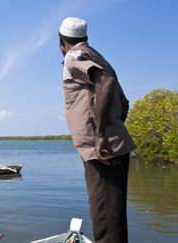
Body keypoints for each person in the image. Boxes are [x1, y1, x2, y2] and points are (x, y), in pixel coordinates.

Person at [58, 17, 135, 243]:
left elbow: (106, 81)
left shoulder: (74, 56)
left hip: (100, 150)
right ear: (85, 38)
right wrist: (112, 130)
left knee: (105, 223)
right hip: (112, 147)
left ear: (61, 41)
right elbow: (124, 103)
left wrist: (101, 135)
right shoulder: (99, 57)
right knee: (114, 220)